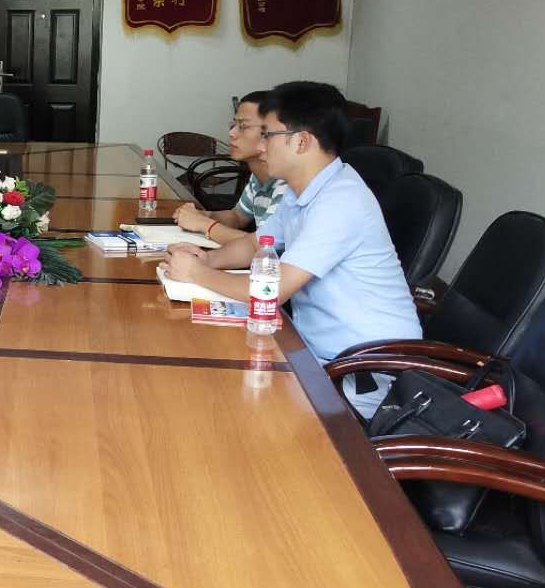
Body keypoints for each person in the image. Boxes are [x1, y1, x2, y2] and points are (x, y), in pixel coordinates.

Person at [161, 81, 420, 418]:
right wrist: (207, 258)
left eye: (268, 135)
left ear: (301, 141)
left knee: (225, 406)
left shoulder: (341, 200)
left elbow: (272, 291)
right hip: (312, 352)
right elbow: (257, 243)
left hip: (364, 373)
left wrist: (197, 274)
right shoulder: (300, 191)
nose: (261, 146)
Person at [173, 90, 287, 244]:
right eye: (234, 125)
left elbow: (265, 245)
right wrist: (205, 215)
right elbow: (238, 217)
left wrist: (205, 225)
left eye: (243, 126)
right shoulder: (257, 176)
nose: (232, 133)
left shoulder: (286, 182)